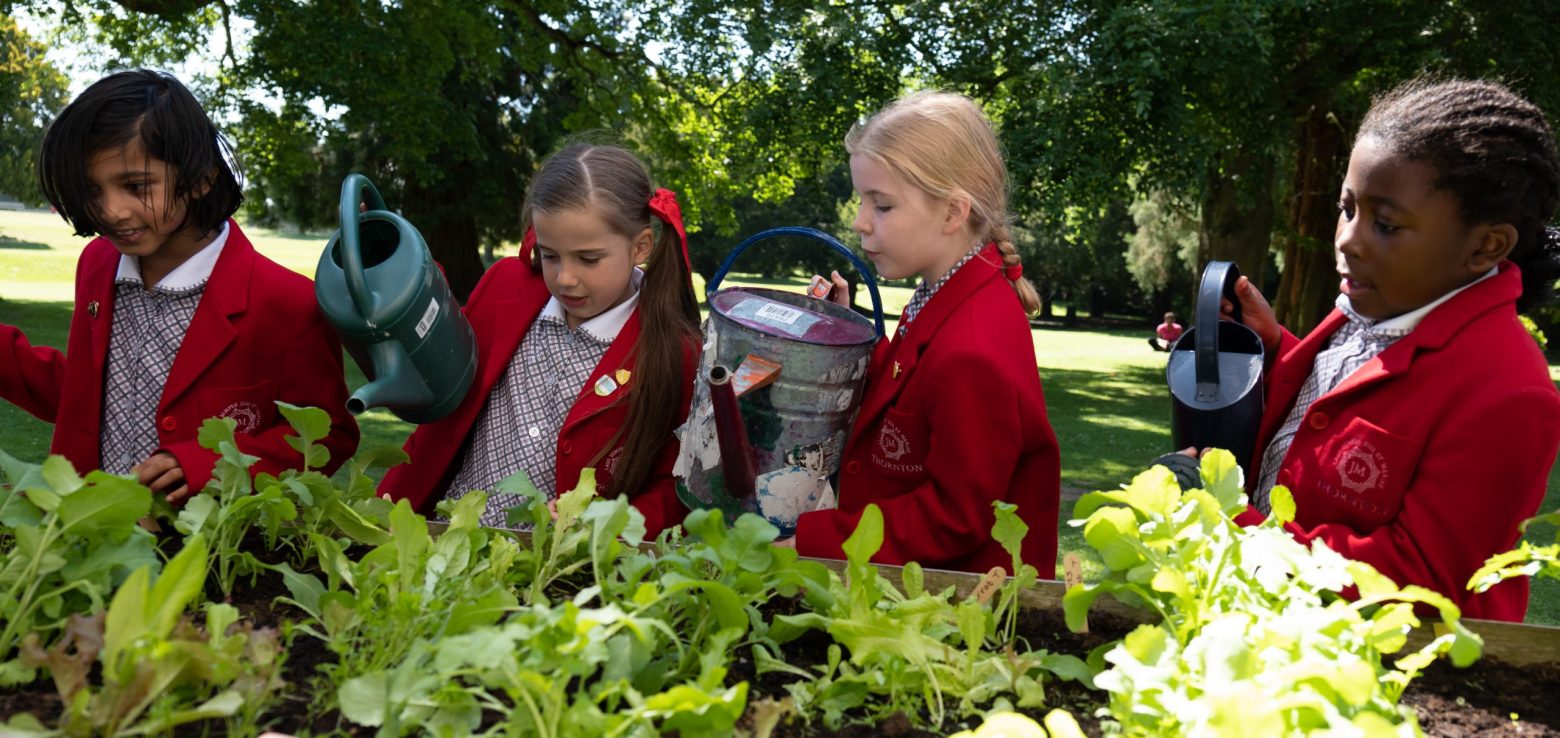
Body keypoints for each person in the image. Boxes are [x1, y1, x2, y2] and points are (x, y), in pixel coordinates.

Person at [1224, 78, 1560, 621]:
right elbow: (1346, 400)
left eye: (1385, 224)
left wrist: (1231, 527)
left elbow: (1420, 578)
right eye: (1347, 207)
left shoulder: (1509, 393)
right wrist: (1277, 349)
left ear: (1484, 247)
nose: (1348, 239)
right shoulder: (1377, 306)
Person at [1, 69, 359, 501]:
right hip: (86, 540)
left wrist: (212, 465)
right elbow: (88, 396)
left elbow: (329, 436)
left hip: (209, 555)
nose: (111, 211)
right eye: (92, 190)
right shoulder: (96, 265)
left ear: (201, 177)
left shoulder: (287, 302)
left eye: (135, 185)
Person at [783, 91, 1062, 576]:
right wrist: (851, 338)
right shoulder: (948, 289)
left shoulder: (972, 347)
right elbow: (909, 388)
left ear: (954, 212)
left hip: (958, 618)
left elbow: (953, 518)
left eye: (883, 205)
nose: (860, 222)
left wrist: (812, 542)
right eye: (862, 200)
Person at [379, 143, 699, 535]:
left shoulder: (672, 351)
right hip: (438, 536)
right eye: (550, 255)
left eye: (588, 259)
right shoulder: (505, 287)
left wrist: (605, 525)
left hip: (552, 575)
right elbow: (442, 389)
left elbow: (679, 486)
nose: (565, 277)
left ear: (641, 246)